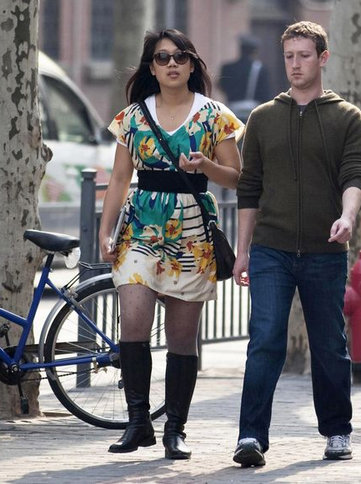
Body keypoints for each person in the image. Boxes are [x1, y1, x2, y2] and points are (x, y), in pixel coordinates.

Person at [99, 29, 242, 460]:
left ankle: (175, 429)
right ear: (152, 67)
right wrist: (107, 230)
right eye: (162, 58)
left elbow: (238, 178)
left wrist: (207, 166)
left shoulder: (215, 116)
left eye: (181, 56)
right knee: (134, 321)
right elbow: (119, 179)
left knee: (182, 337)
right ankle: (138, 422)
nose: (172, 64)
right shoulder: (132, 117)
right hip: (141, 228)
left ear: (193, 64)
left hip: (192, 230)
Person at [232, 21, 361, 467]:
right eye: (289, 56)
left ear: (322, 58)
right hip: (270, 248)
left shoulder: (347, 117)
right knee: (265, 340)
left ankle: (337, 430)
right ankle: (251, 436)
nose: (295, 64)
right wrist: (243, 251)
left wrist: (347, 217)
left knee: (328, 344)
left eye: (304, 56)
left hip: (324, 251)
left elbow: (355, 174)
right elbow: (249, 189)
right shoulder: (262, 117)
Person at [219, 34, 271, 122]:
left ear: (241, 49)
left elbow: (222, 86)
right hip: (252, 114)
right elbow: (265, 94)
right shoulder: (260, 69)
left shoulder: (227, 68)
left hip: (231, 112)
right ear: (254, 51)